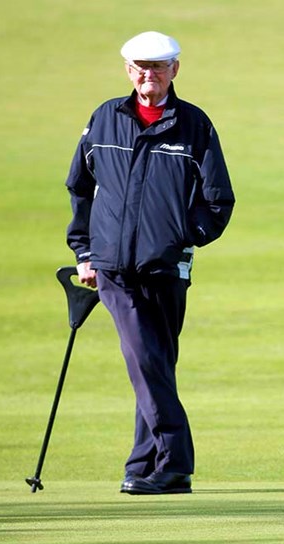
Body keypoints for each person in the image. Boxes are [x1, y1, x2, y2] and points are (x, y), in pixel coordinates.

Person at [65, 31, 235, 495]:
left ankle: (143, 463)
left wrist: (181, 238)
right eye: (140, 66)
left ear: (174, 70)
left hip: (166, 271)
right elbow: (79, 187)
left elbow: (217, 201)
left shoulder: (195, 125)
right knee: (145, 358)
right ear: (128, 70)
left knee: (155, 364)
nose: (148, 75)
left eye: (157, 67)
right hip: (113, 269)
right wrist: (83, 251)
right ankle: (175, 461)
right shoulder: (104, 120)